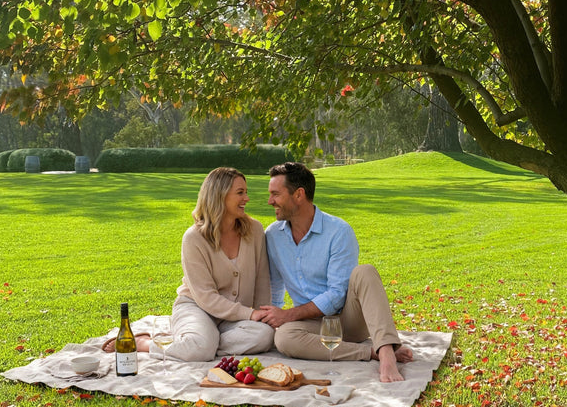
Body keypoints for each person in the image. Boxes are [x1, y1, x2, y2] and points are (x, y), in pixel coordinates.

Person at [252, 162, 413, 382]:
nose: (270, 201)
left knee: (364, 272)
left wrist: (289, 314)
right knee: (284, 338)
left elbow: (337, 295)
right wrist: (274, 317)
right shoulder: (273, 235)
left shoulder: (338, 231)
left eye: (275, 194)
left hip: (347, 321)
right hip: (312, 325)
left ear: (299, 194)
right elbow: (275, 284)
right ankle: (370, 353)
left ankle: (386, 354)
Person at [104, 167, 274, 360]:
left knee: (265, 335)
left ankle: (201, 343)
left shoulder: (254, 229)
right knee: (202, 345)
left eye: (246, 192)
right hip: (197, 306)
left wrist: (262, 315)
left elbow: (262, 279)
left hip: (233, 316)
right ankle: (145, 343)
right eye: (240, 193)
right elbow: (205, 297)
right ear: (219, 195)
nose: (247, 198)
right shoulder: (194, 238)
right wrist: (249, 315)